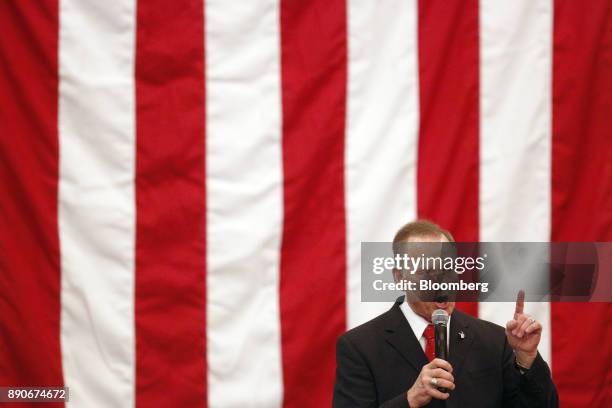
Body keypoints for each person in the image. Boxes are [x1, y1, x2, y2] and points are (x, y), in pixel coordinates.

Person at [332, 220, 558, 407]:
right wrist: (410, 399)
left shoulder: (496, 342)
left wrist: (527, 360)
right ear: (400, 277)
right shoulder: (359, 347)